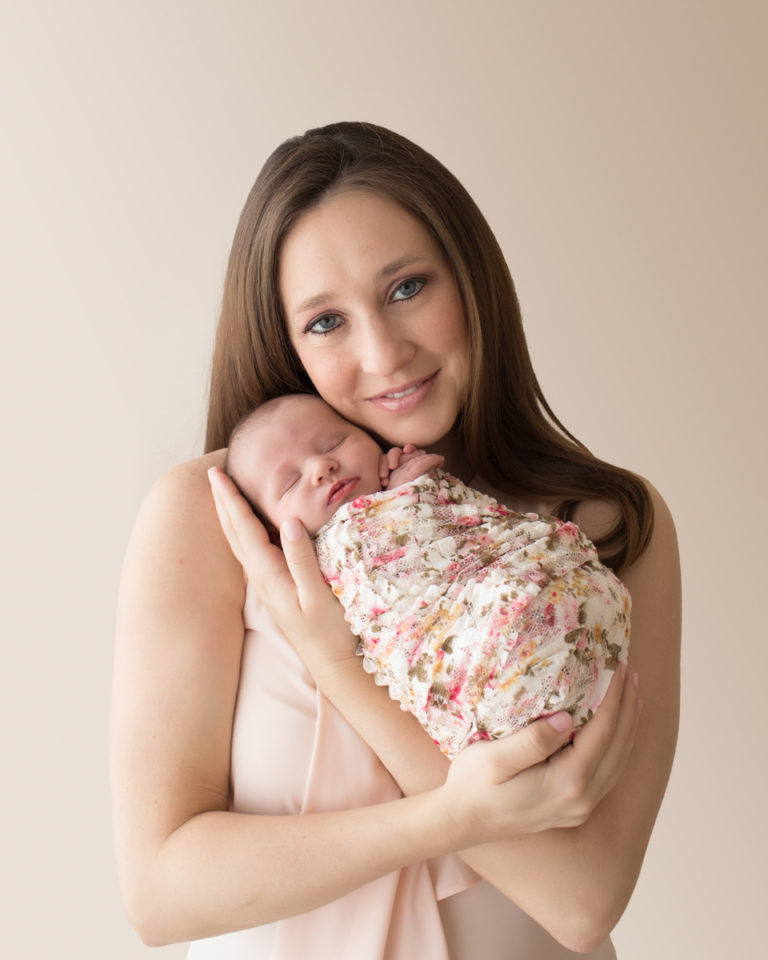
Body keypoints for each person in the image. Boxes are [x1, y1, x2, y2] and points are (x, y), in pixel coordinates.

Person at [111, 122, 680, 959]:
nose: (383, 354)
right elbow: (159, 894)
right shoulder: (215, 518)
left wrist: (340, 664)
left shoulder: (606, 523)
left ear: (472, 277)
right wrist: (448, 820)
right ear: (285, 342)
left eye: (408, 287)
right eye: (326, 322)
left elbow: (583, 899)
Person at [226, 392, 631, 760]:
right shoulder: (320, 564)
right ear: (273, 534)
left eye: (334, 442)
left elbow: (475, 533)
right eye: (291, 481)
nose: (321, 466)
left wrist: (416, 491)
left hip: (566, 597)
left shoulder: (414, 484)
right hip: (494, 666)